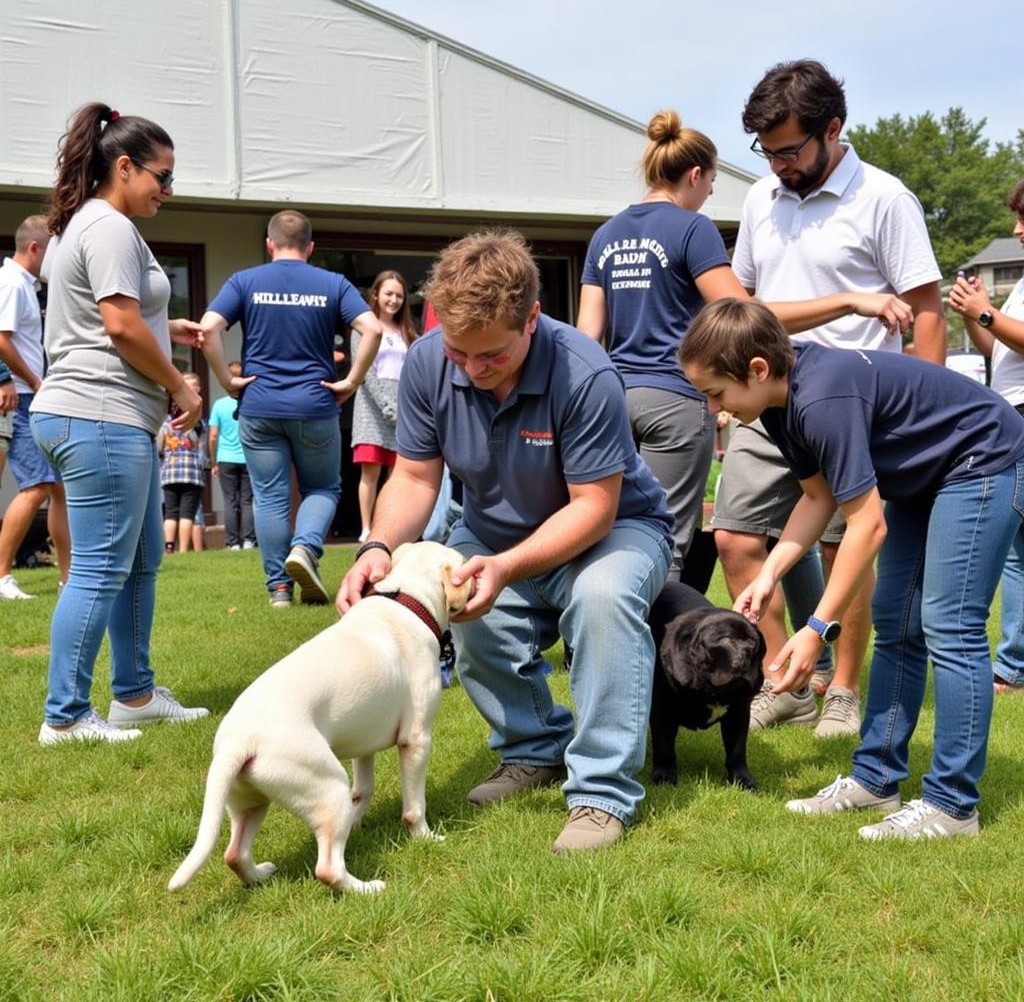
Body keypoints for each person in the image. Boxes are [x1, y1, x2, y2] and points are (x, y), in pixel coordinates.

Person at [338, 230, 674, 854]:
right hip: (494, 527)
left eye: (490, 355)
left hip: (613, 530)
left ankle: (602, 794)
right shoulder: (428, 362)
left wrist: (509, 567)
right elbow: (413, 477)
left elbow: (595, 509)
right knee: (459, 603)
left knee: (602, 601)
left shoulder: (585, 373)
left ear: (532, 320)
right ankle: (533, 749)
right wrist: (377, 547)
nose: (472, 368)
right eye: (460, 354)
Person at [681, 298, 1024, 839]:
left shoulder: (822, 397)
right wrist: (770, 573)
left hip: (980, 458)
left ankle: (954, 805)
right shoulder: (775, 404)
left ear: (757, 369)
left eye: (715, 393)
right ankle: (876, 779)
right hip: (923, 476)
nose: (713, 409)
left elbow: (866, 527)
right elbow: (817, 498)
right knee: (897, 622)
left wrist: (816, 629)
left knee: (950, 626)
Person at [713, 59, 944, 737]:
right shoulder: (760, 199)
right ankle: (788, 680)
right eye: (767, 150)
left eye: (789, 149)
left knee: (850, 544)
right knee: (733, 537)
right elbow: (750, 307)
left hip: (858, 406)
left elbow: (926, 311)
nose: (778, 164)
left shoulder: (885, 198)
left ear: (832, 129)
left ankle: (842, 689)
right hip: (768, 397)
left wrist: (918, 415)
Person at [30, 101, 209, 744]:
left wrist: (172, 332)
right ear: (125, 166)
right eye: (162, 177)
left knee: (139, 559)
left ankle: (133, 694)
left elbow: (115, 321)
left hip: (92, 411)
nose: (167, 190)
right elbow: (118, 325)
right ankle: (66, 715)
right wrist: (179, 383)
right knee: (103, 566)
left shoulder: (89, 224)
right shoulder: (106, 226)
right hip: (98, 414)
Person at [578, 110, 740, 582]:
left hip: (612, 399)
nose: (709, 194)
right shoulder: (693, 229)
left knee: (607, 526)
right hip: (676, 398)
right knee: (666, 543)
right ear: (694, 174)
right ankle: (653, 654)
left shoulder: (605, 235)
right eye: (710, 183)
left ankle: (591, 635)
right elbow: (737, 312)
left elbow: (586, 336)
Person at [200, 210, 381, 607]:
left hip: (259, 405)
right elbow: (374, 328)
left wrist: (227, 381)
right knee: (322, 487)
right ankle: (305, 547)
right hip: (315, 405)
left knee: (269, 497)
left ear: (269, 244)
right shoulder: (333, 283)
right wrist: (352, 381)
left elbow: (208, 328)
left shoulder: (245, 281)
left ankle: (279, 589)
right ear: (311, 247)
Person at [949, 176, 1024, 692]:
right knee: (1018, 549)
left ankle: (1014, 664)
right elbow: (995, 348)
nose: (1017, 231)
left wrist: (985, 312)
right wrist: (976, 313)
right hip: (1012, 412)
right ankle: (1015, 665)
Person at [0, 215, 71, 600]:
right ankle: (1, 576)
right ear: (34, 249)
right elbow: (1, 340)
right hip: (25, 396)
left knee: (58, 488)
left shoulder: (25, 285)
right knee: (37, 486)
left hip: (33, 394)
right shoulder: (10, 283)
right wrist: (29, 379)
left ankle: (68, 577)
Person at [352, 270, 418, 543]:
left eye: (399, 296)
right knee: (371, 471)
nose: (393, 300)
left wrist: (407, 408)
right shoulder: (363, 328)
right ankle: (367, 528)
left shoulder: (408, 332)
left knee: (398, 474)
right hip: (371, 407)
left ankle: (389, 526)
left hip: (404, 407)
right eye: (388, 294)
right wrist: (388, 408)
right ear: (375, 295)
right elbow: (364, 373)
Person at [208, 361, 255, 550]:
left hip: (225, 458)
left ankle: (232, 542)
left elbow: (212, 436)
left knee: (230, 500)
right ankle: (249, 541)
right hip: (248, 457)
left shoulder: (219, 405)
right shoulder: (250, 402)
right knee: (247, 500)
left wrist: (213, 461)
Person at [157, 371, 205, 553]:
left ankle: (169, 546)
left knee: (170, 512)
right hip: (191, 473)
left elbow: (160, 446)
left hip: (169, 472)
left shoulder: (166, 421)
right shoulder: (195, 421)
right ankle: (184, 549)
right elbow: (201, 444)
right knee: (187, 513)